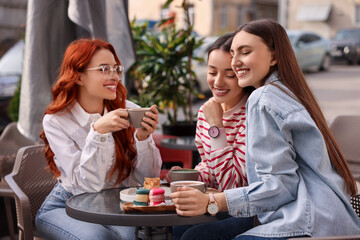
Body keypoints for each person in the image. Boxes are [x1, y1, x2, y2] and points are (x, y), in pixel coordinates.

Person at [170, 19, 360, 239]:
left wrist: (213, 201)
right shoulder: (286, 91)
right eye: (233, 54)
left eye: (245, 52)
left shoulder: (263, 99)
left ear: (274, 56)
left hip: (304, 222)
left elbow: (280, 186)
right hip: (326, 219)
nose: (235, 62)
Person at [35, 38, 162, 240]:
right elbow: (84, 187)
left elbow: (144, 179)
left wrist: (143, 138)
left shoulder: (128, 110)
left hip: (113, 203)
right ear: (78, 76)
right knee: (96, 238)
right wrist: (98, 133)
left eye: (116, 69)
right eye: (104, 69)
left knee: (137, 236)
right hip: (66, 204)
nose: (114, 77)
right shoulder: (56, 121)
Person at [170, 33, 255, 240]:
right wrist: (192, 177)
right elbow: (210, 166)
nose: (218, 82)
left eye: (229, 74)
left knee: (194, 236)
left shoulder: (252, 114)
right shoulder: (205, 111)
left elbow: (231, 186)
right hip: (217, 201)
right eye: (212, 72)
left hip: (248, 208)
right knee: (176, 226)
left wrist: (216, 126)